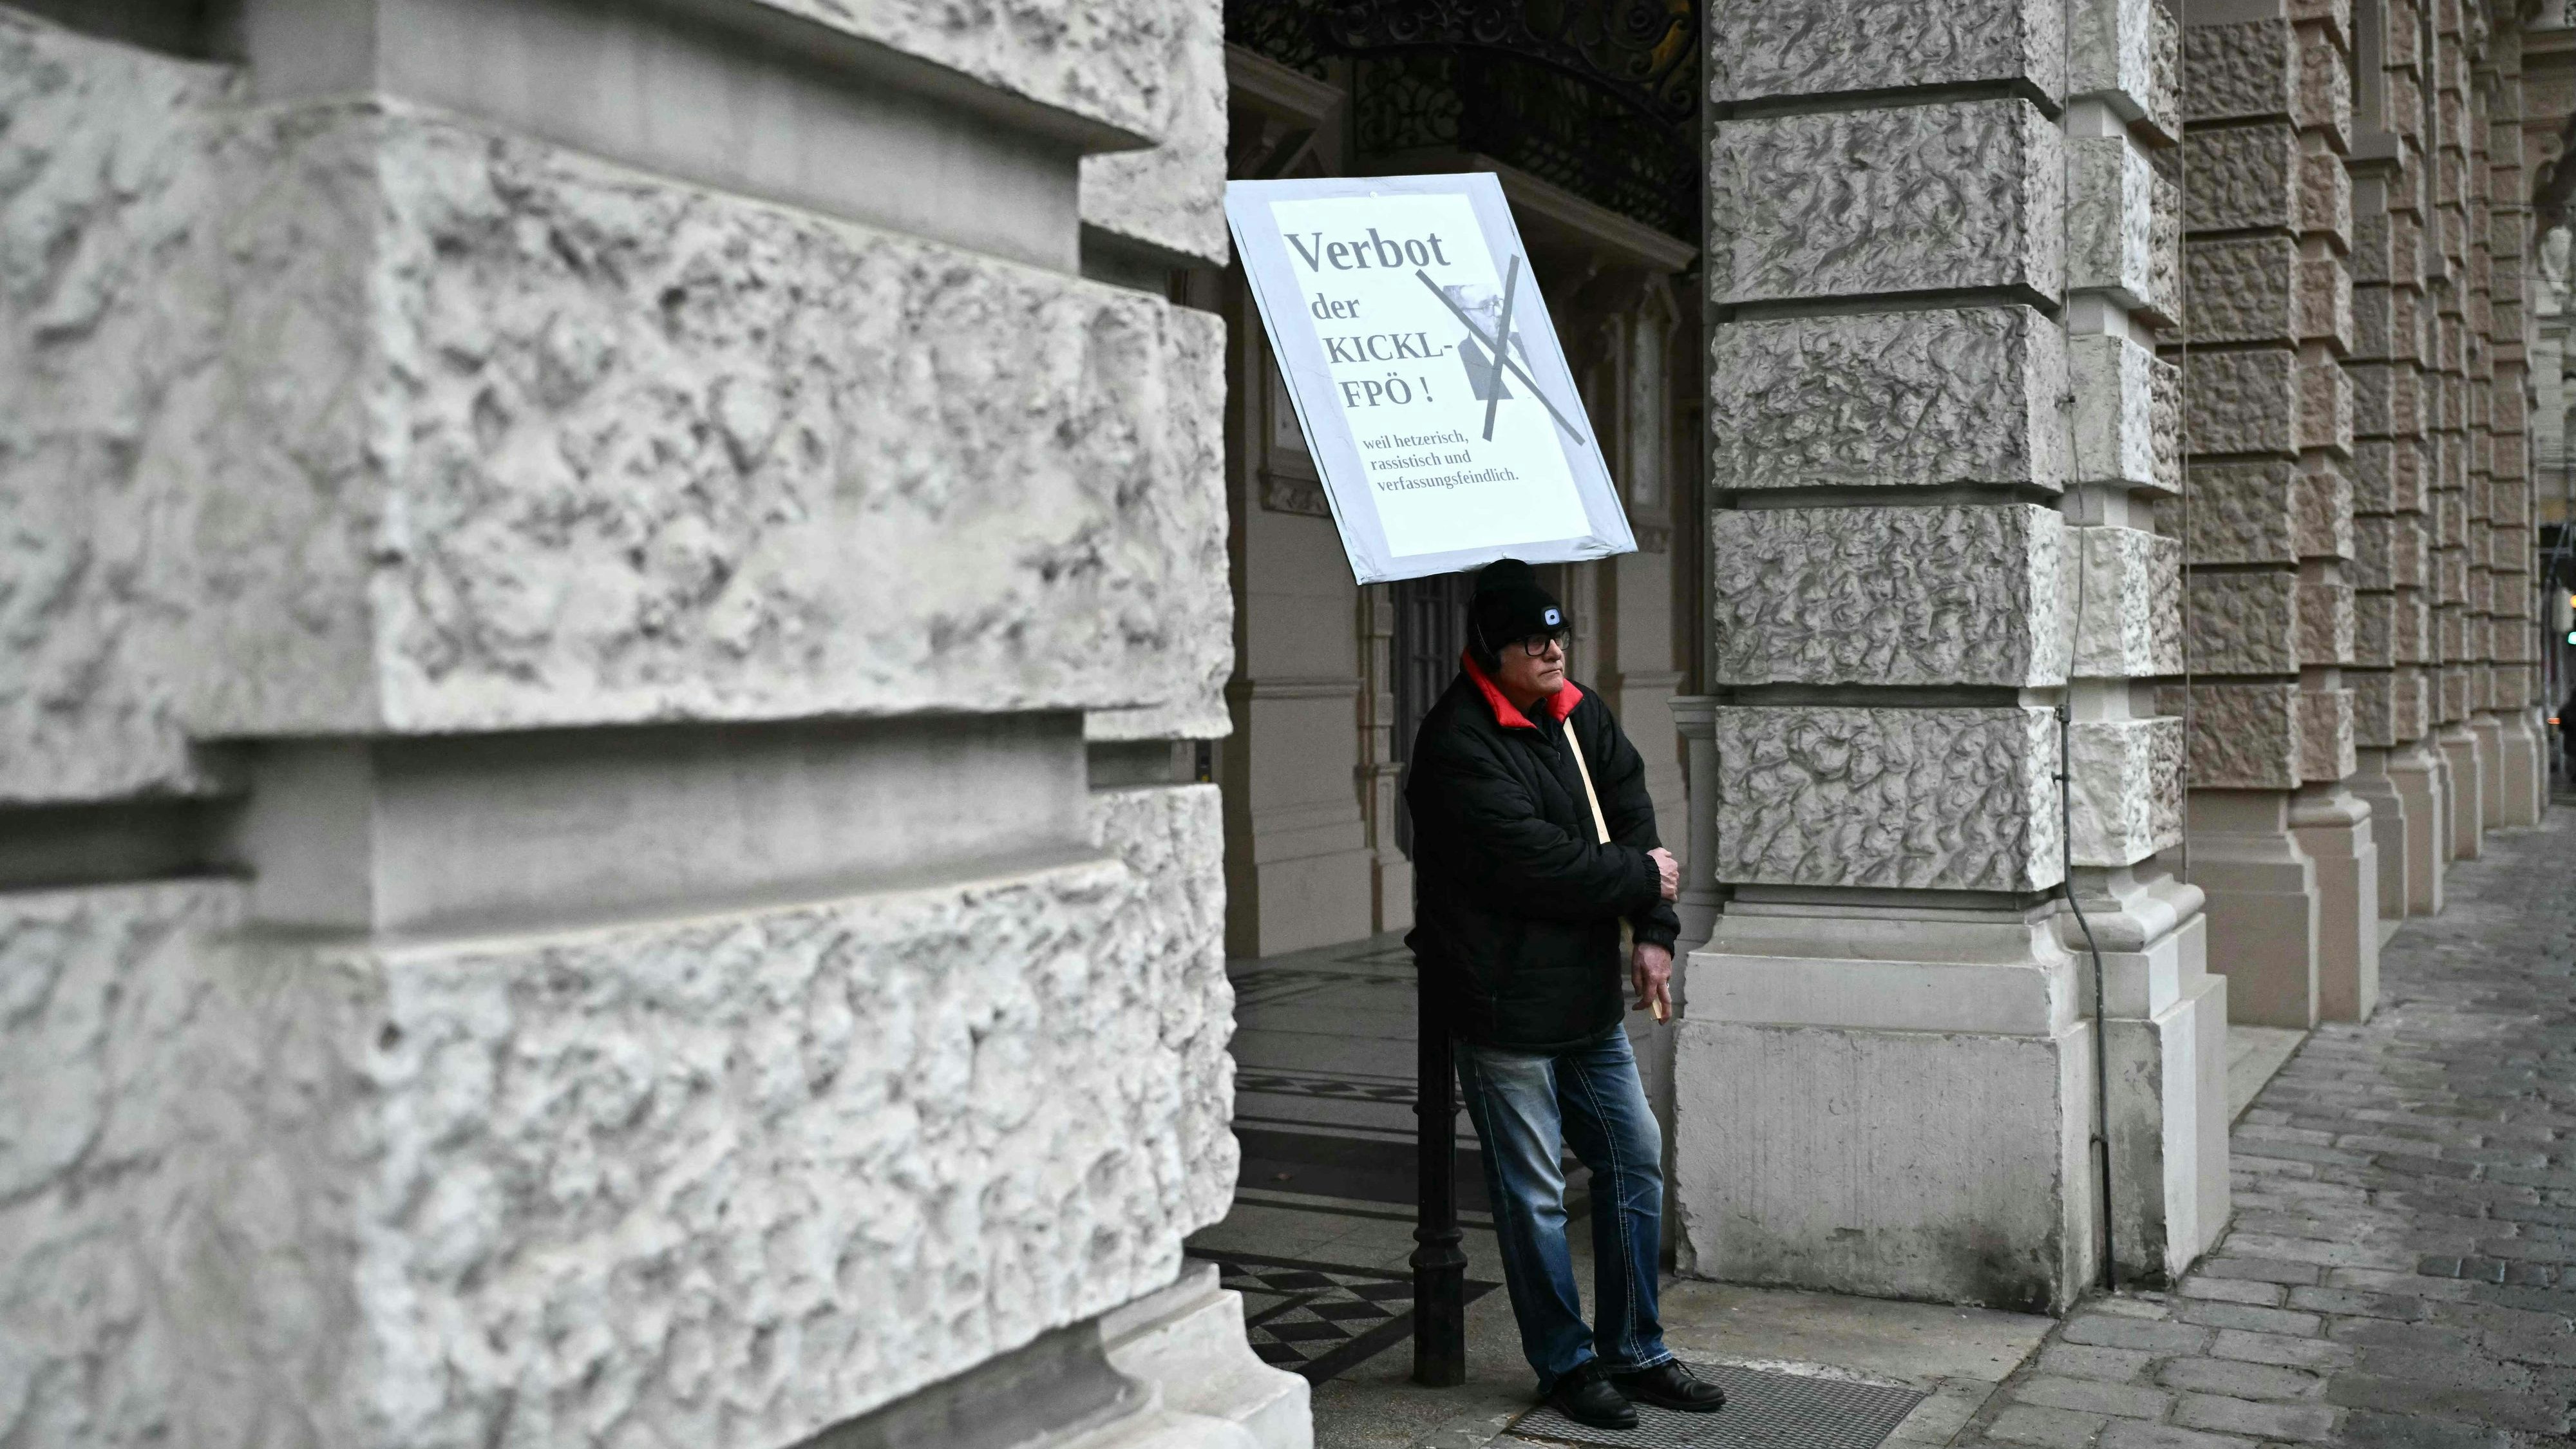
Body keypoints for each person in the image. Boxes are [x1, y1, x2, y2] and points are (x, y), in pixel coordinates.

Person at [1403, 559, 1726, 1430]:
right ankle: (1566, 1361)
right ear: (1490, 647)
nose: (1553, 649)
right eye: (1533, 638)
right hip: (1503, 1001)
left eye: (1559, 633)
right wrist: (1637, 876)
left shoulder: (1578, 713)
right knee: (1536, 1192)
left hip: (1584, 997)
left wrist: (1654, 936)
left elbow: (1634, 817)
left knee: (1634, 1157)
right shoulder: (1457, 742)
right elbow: (1534, 864)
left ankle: (1637, 1348)